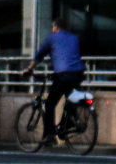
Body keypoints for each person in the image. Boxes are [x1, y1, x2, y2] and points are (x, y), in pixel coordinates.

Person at [23, 16, 86, 146]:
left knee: (50, 104)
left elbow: (39, 55)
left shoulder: (52, 38)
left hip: (62, 75)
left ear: (56, 27)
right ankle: (68, 123)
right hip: (78, 74)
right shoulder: (74, 38)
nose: (52, 29)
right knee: (69, 98)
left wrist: (29, 69)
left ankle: (50, 135)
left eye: (53, 27)